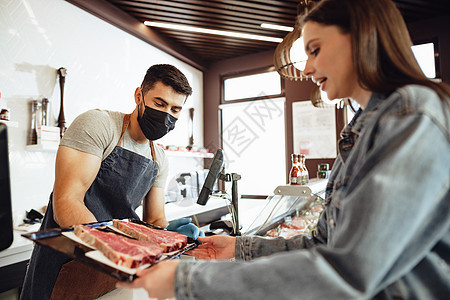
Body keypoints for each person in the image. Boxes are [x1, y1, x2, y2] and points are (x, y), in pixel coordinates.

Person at [116, 0, 450, 299]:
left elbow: (349, 271)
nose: (306, 69)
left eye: (315, 50)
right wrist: (238, 247)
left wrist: (188, 281)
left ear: (360, 37)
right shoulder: (363, 128)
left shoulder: (411, 115)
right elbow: (322, 245)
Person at [20, 64, 203, 300]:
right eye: (159, 104)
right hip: (68, 260)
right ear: (139, 96)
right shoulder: (99, 125)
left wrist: (171, 238)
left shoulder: (159, 157)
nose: (167, 115)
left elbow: (154, 219)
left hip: (114, 271)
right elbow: (67, 202)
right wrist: (121, 248)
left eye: (175, 109)